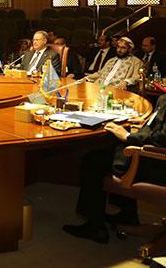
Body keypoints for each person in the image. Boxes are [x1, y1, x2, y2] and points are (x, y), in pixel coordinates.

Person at [63, 94, 166, 244]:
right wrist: (143, 125)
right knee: (111, 150)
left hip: (157, 164)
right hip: (154, 158)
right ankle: (127, 215)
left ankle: (95, 227)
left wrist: (128, 136)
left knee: (93, 160)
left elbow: (160, 139)